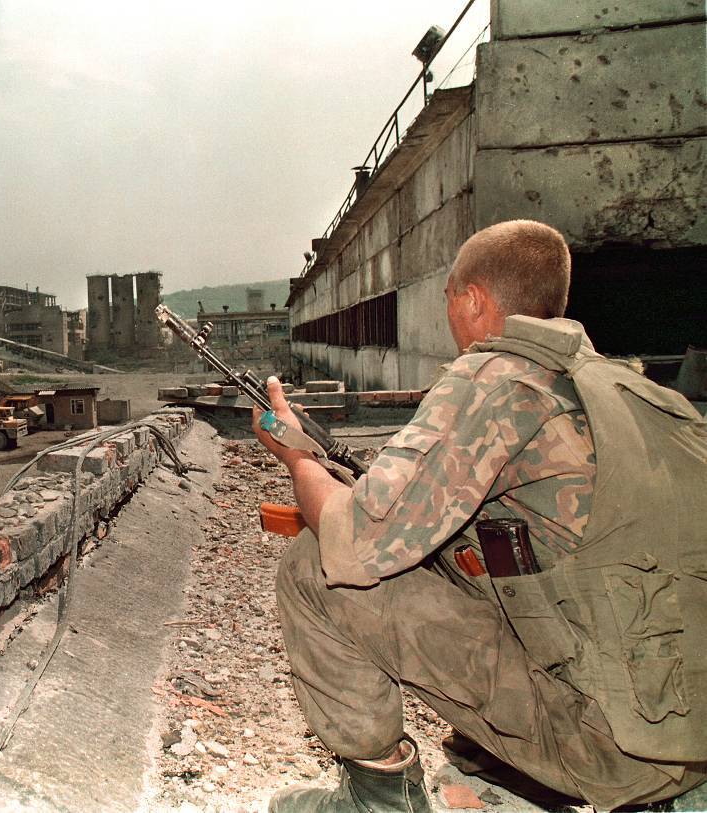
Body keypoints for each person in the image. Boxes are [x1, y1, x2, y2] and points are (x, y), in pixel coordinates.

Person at [253, 220, 707, 812]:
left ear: (472, 299)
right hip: (686, 729)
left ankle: (378, 800)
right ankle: (499, 763)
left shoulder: (497, 378)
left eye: (449, 300)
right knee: (463, 558)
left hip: (614, 750)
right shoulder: (637, 390)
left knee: (315, 567)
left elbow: (354, 541)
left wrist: (297, 459)